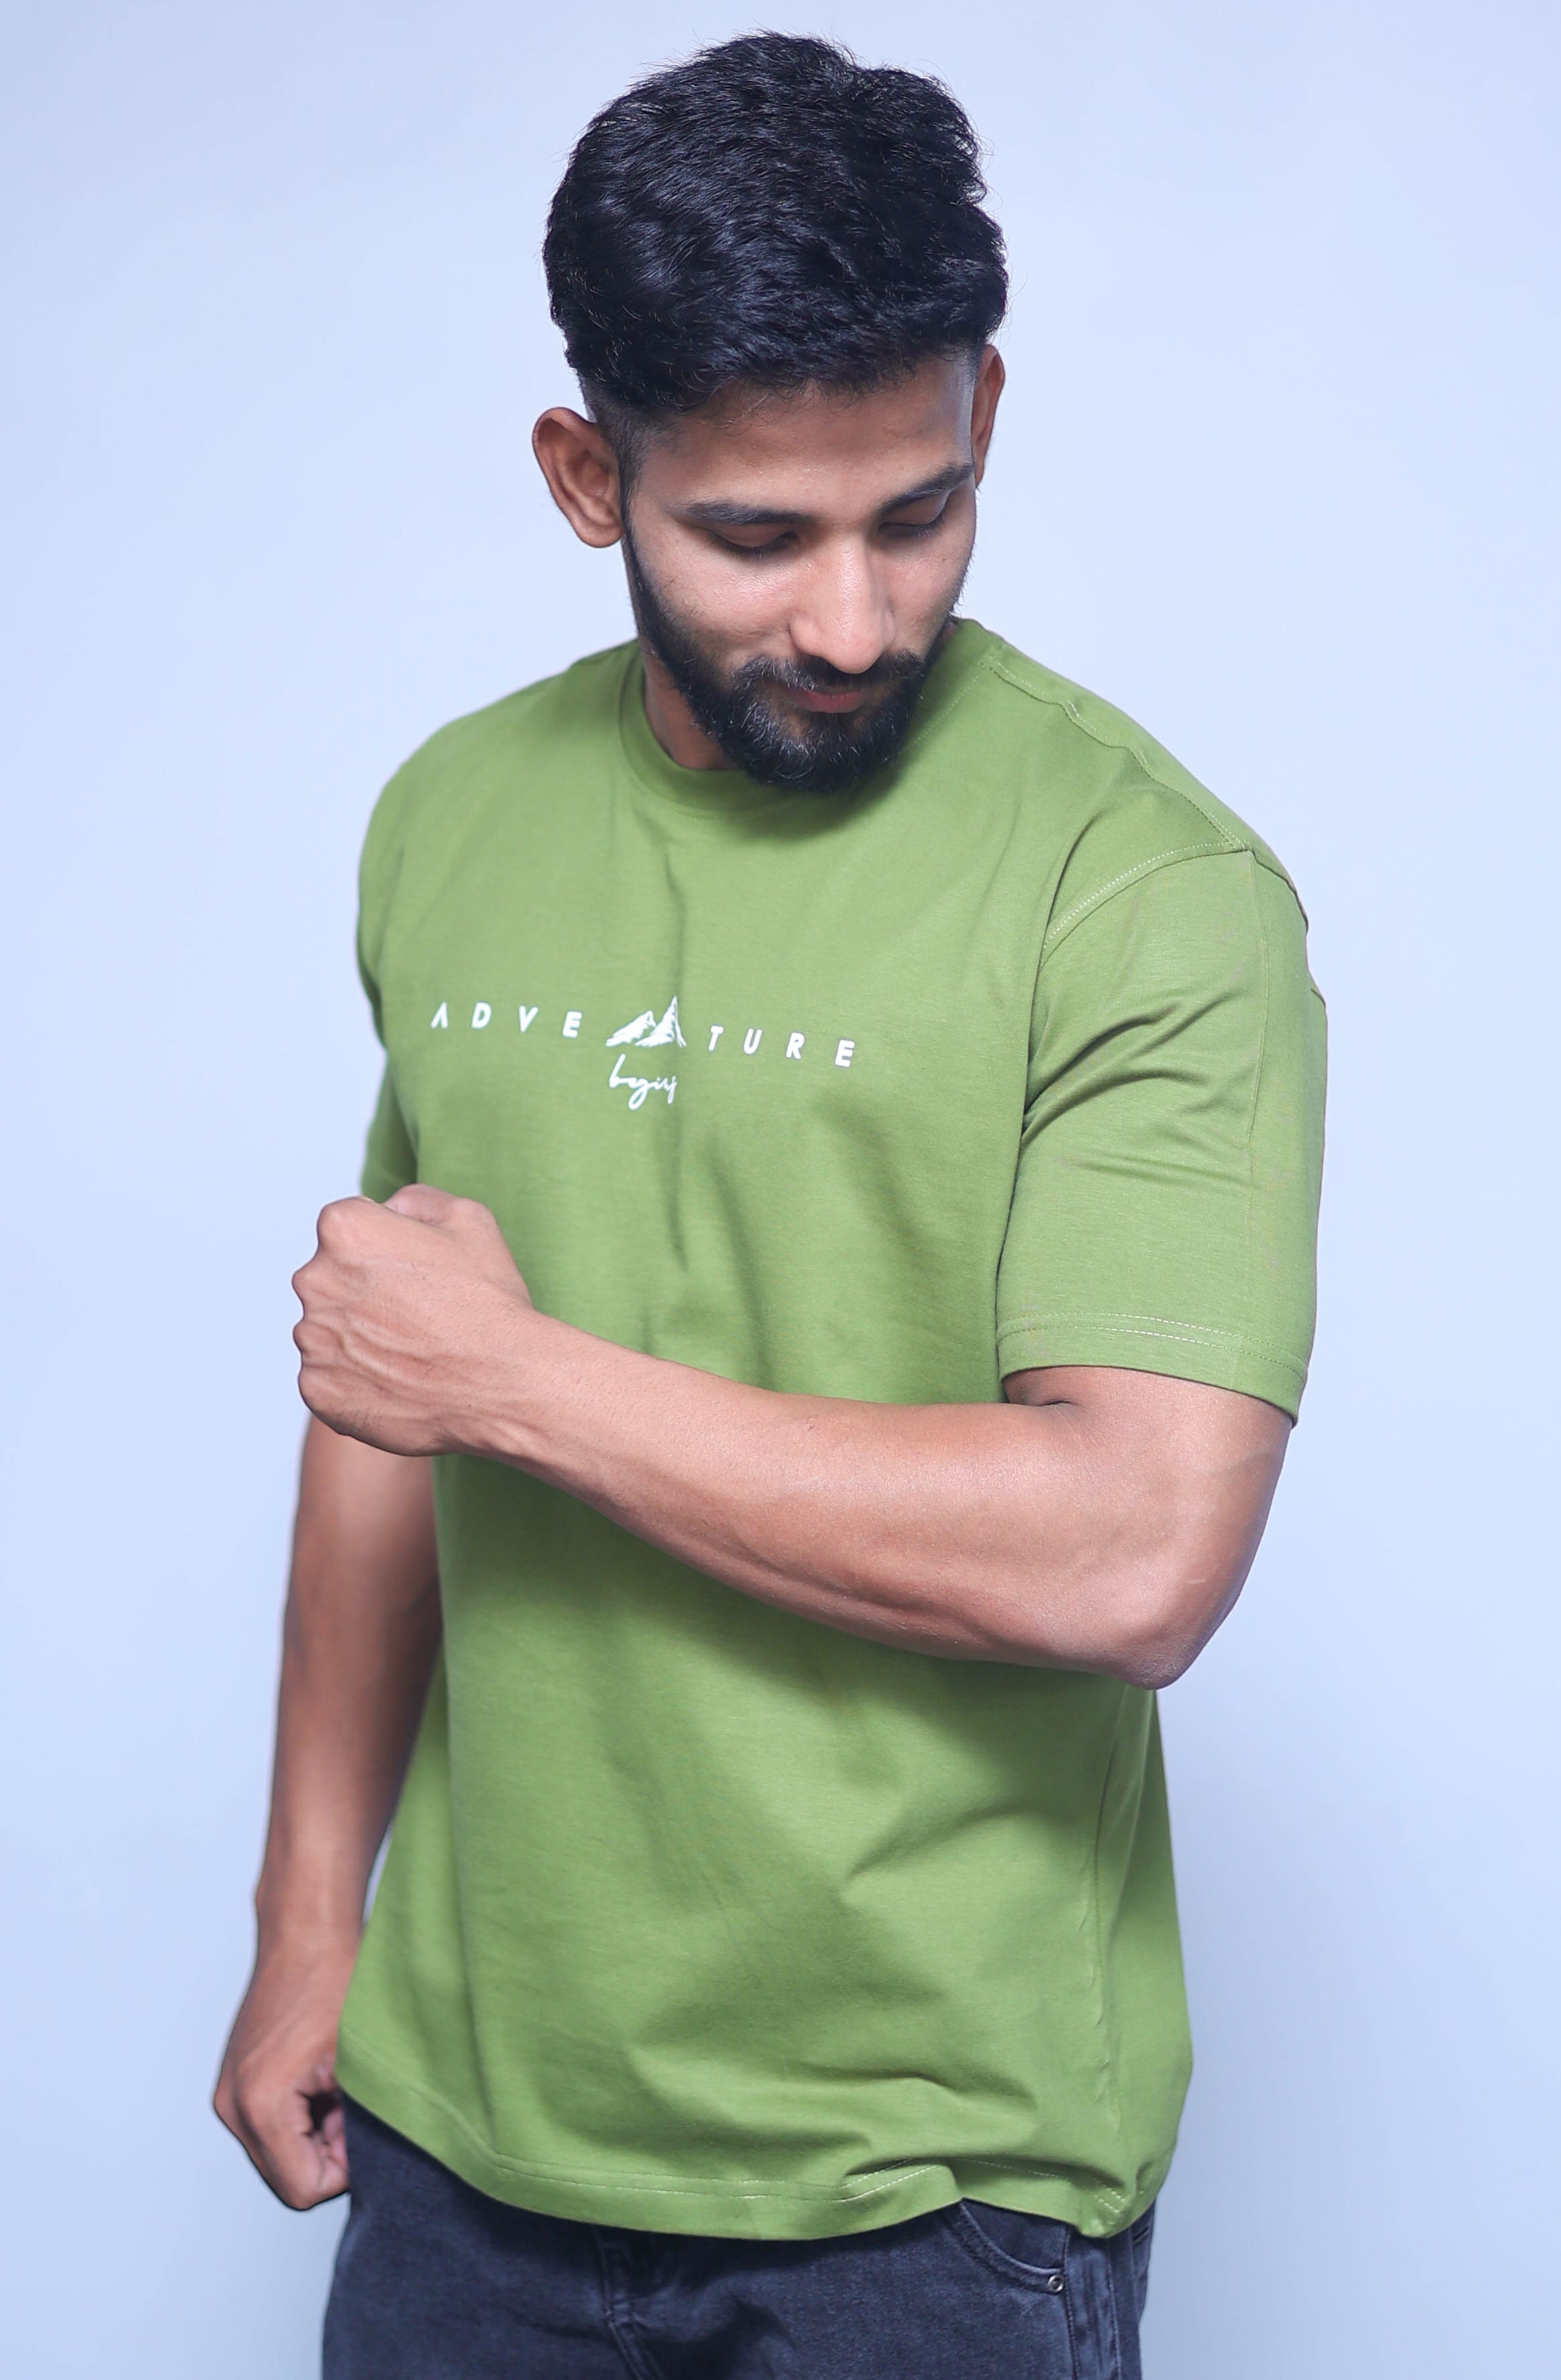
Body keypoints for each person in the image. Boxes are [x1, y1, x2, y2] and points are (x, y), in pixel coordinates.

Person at [215, 32, 1325, 2379]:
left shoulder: (1144, 889)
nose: (851, 620)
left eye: (919, 513)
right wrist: (310, 1915)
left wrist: (520, 1383)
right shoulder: (452, 818)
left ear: (986, 414)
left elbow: (1134, 1550)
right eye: (755, 538)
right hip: (462, 2141)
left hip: (930, 2186)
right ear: (586, 477)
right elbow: (389, 1391)